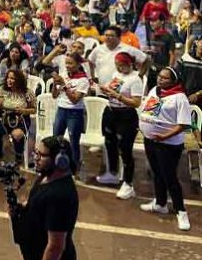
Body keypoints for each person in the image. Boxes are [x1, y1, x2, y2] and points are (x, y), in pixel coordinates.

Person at [138, 67, 192, 231]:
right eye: (160, 77)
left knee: (170, 177)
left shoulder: (180, 98)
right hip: (151, 141)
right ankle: (161, 203)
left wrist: (164, 136)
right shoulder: (156, 90)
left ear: (174, 80)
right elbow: (152, 112)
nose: (160, 80)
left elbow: (183, 124)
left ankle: (181, 211)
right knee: (157, 173)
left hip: (168, 144)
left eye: (165, 78)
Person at [13, 136, 79, 260]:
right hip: (36, 255)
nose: (36, 158)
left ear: (59, 160)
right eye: (36, 153)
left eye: (41, 155)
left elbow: (55, 246)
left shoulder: (59, 196)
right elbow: (37, 206)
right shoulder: (45, 177)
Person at [95, 52, 143, 199]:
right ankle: (113, 173)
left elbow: (136, 103)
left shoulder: (135, 79)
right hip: (111, 112)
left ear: (129, 64)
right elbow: (114, 89)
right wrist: (106, 91)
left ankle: (128, 184)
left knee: (125, 149)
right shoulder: (117, 74)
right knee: (110, 143)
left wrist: (118, 96)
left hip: (126, 116)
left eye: (122, 66)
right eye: (117, 66)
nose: (119, 68)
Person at [51, 53, 90, 170]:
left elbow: (74, 100)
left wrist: (63, 84)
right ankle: (54, 163)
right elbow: (54, 95)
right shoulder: (64, 75)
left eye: (70, 63)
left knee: (73, 141)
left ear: (78, 64)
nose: (67, 66)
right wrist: (54, 84)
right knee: (56, 138)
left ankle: (74, 167)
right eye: (66, 63)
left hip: (74, 113)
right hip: (61, 110)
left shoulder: (83, 80)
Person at [0, 69, 36, 165]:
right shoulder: (1, 90)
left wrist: (24, 110)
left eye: (12, 78)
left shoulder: (27, 92)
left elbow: (34, 109)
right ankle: (0, 157)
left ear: (19, 80)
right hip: (3, 117)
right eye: (8, 78)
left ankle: (19, 154)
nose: (9, 80)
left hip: (21, 119)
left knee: (17, 135)